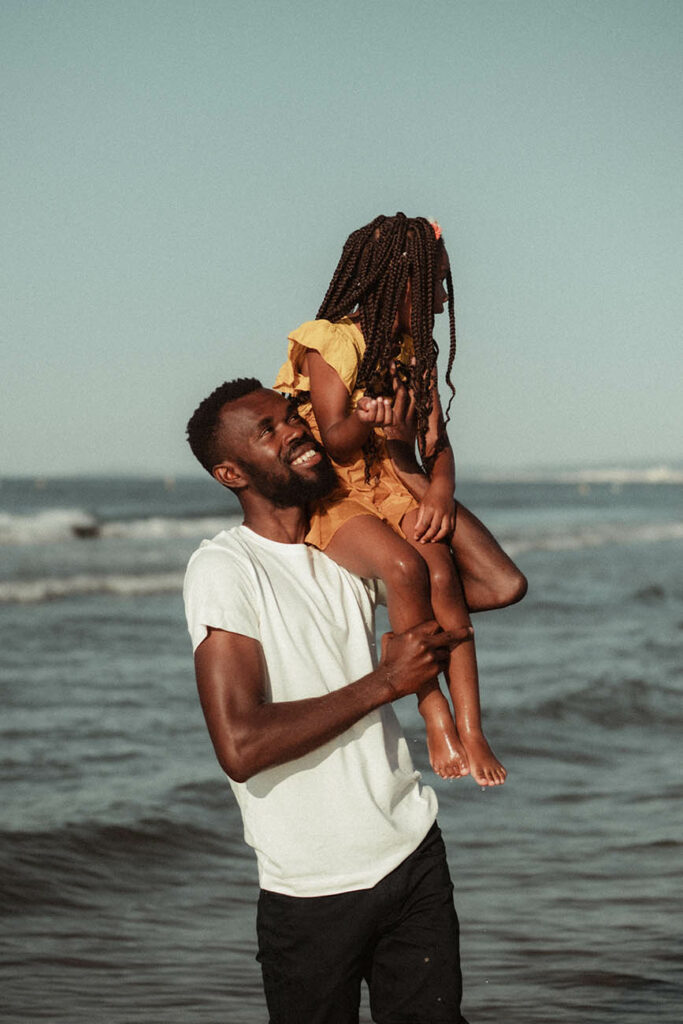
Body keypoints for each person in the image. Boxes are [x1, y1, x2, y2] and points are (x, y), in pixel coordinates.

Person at [184, 377, 473, 1023]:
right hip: (311, 886)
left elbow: (495, 582)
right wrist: (384, 683)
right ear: (230, 472)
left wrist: (408, 464)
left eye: (290, 416)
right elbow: (240, 745)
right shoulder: (226, 568)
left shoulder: (348, 544)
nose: (294, 429)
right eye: (268, 430)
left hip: (410, 849)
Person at [274, 212, 527, 786]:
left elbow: (438, 443)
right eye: (435, 281)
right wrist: (367, 420)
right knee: (405, 566)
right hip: (340, 492)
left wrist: (440, 489)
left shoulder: (419, 353)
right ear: (399, 277)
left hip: (397, 482)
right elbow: (336, 441)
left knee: (439, 572)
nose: (442, 294)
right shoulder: (332, 340)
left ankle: (474, 724)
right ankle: (433, 710)